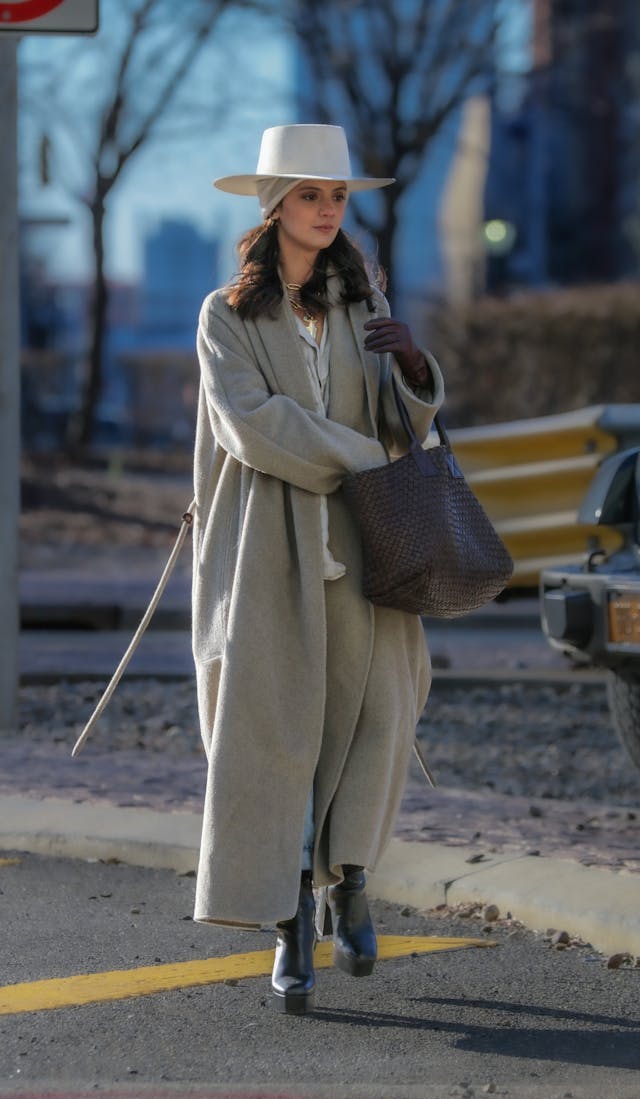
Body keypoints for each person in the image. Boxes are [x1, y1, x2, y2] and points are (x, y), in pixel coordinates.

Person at [192, 124, 445, 1014]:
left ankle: (353, 885)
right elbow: (250, 423)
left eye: (337, 195)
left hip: (371, 538)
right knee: (275, 733)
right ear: (274, 207)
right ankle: (289, 918)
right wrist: (363, 457)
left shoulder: (362, 303)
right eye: (310, 194)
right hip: (270, 546)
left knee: (378, 714)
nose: (328, 208)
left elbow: (402, 422)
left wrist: (414, 369)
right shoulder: (225, 315)